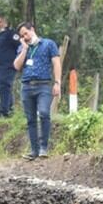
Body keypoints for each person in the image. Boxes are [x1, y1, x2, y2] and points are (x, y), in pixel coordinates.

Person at [13, 22, 61, 160]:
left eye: (26, 33)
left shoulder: (48, 44)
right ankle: (34, 150)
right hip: (27, 86)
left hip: (44, 85)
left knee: (44, 113)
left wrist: (57, 82)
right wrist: (24, 49)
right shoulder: (23, 47)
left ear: (32, 30)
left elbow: (56, 63)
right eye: (22, 36)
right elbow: (16, 66)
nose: (25, 37)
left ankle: (43, 148)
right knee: (30, 119)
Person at [0, 15, 21, 117]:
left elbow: (20, 45)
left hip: (7, 67)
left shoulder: (10, 34)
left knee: (5, 87)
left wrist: (17, 61)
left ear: (5, 23)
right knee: (2, 89)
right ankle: (9, 109)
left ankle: (4, 112)